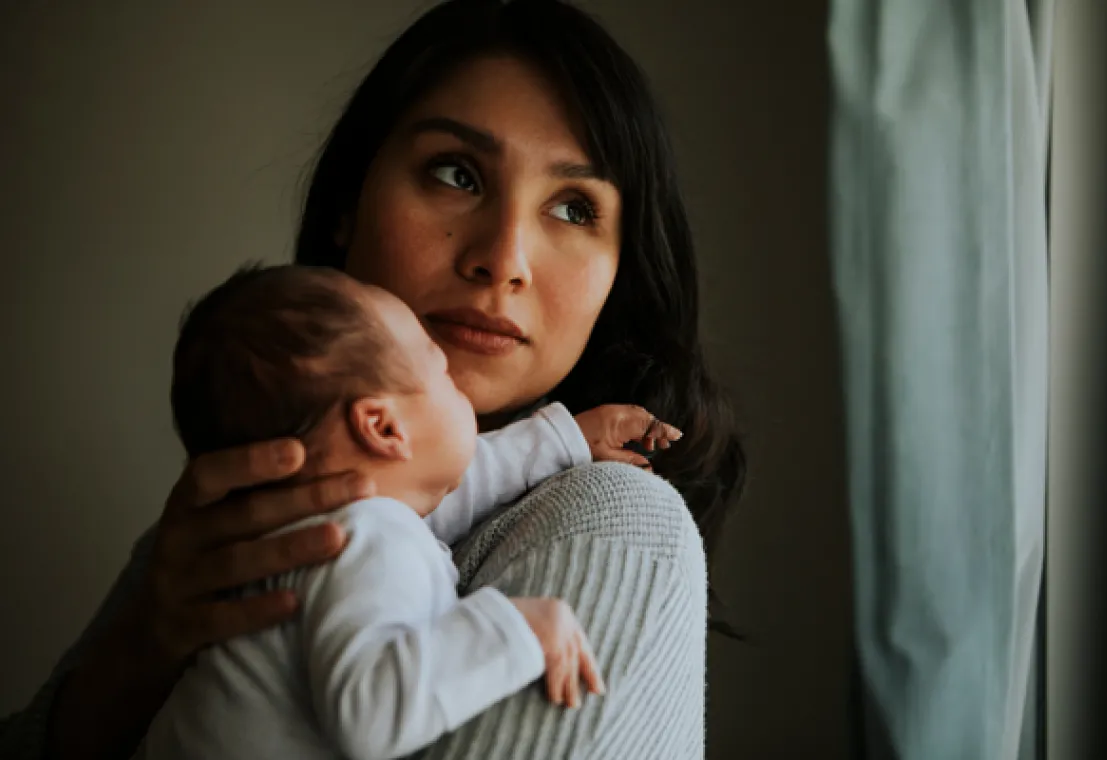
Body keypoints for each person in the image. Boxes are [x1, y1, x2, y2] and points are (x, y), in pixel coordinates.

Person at [0, 1, 745, 758]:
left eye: (574, 206)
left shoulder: (615, 518)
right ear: (347, 207)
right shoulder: (211, 544)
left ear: (620, 278)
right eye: (456, 173)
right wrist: (135, 657)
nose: (504, 259)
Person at [135, 264, 678, 759]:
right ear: (385, 428)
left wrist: (569, 438)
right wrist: (517, 626)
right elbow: (371, 715)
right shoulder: (364, 539)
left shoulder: (333, 530)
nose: (455, 384)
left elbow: (460, 480)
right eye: (441, 372)